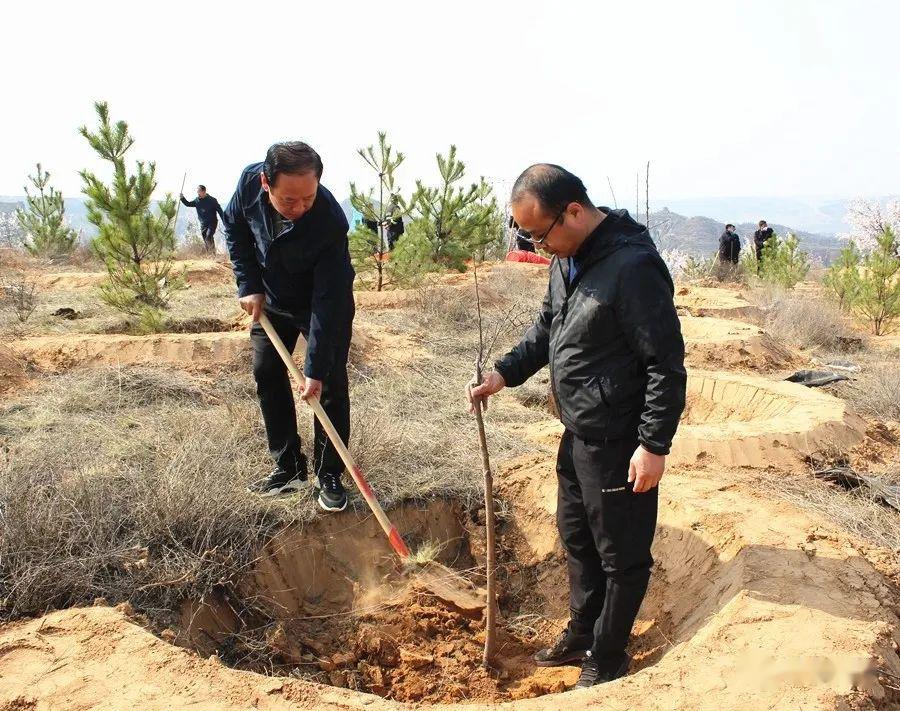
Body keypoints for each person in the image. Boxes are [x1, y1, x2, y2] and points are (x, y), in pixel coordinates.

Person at [467, 164, 686, 689]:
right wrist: (504, 374)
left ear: (574, 211)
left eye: (540, 236)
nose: (539, 248)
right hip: (578, 430)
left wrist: (652, 444)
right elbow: (549, 327)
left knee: (621, 554)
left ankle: (608, 654)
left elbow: (665, 363)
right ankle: (584, 629)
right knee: (577, 536)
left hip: (619, 440)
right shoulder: (566, 260)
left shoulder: (632, 267)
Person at [223, 142, 355, 512]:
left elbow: (328, 303)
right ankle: (288, 468)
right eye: (289, 201)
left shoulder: (329, 221)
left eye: (307, 199)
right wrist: (248, 284)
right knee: (267, 371)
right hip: (272, 298)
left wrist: (314, 371)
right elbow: (233, 227)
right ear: (266, 182)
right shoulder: (249, 183)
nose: (298, 209)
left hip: (321, 303)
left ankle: (328, 474)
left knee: (327, 384)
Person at [180, 185, 225, 254]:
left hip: (212, 222)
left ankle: (213, 254)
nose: (198, 193)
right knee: (206, 238)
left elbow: (220, 211)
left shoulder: (212, 200)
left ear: (204, 192)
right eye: (197, 191)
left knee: (208, 236)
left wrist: (225, 220)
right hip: (203, 223)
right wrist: (182, 198)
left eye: (199, 191)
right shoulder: (197, 200)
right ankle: (210, 254)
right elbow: (188, 204)